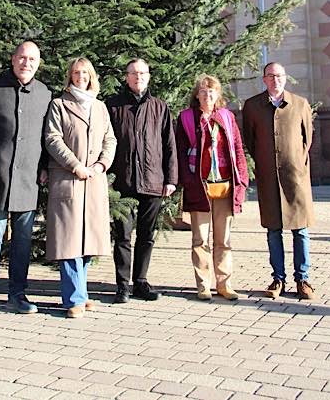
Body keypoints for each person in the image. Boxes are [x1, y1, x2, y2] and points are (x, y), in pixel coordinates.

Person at [0, 41, 52, 316]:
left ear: (38, 62)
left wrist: (45, 166)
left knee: (22, 240)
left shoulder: (44, 93)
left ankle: (17, 294)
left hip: (29, 179)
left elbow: (48, 137)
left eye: (32, 59)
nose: (26, 63)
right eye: (22, 57)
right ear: (13, 59)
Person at [45, 57, 117, 318]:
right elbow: (52, 139)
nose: (80, 77)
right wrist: (75, 165)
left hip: (94, 181)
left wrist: (101, 164)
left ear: (91, 76)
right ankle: (74, 298)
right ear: (70, 76)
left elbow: (110, 138)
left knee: (88, 242)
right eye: (76, 73)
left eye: (85, 73)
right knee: (69, 242)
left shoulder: (99, 107)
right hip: (69, 179)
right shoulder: (59, 105)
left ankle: (81, 292)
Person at [107, 59, 177, 303]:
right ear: (126, 77)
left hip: (153, 180)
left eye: (143, 73)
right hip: (123, 181)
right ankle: (122, 284)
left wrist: (171, 178)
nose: (138, 77)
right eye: (134, 73)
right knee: (123, 236)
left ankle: (141, 282)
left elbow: (169, 144)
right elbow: (104, 143)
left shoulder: (159, 107)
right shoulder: (114, 106)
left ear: (149, 77)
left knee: (147, 235)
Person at [243, 62, 315, 300]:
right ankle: (278, 279)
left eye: (280, 76)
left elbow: (307, 140)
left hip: (295, 178)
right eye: (271, 76)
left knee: (300, 230)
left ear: (286, 78)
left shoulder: (300, 104)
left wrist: (295, 162)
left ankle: (303, 279)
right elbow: (250, 141)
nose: (276, 80)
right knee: (273, 230)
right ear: (264, 79)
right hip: (268, 178)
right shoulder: (253, 106)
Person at [177, 74, 248, 301]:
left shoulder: (227, 117)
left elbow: (237, 148)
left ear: (218, 95)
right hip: (200, 186)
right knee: (200, 239)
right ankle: (203, 285)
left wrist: (242, 179)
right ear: (196, 95)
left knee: (223, 239)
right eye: (203, 91)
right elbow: (180, 151)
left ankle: (224, 283)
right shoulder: (187, 118)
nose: (208, 95)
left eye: (212, 91)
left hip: (225, 185)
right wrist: (187, 180)